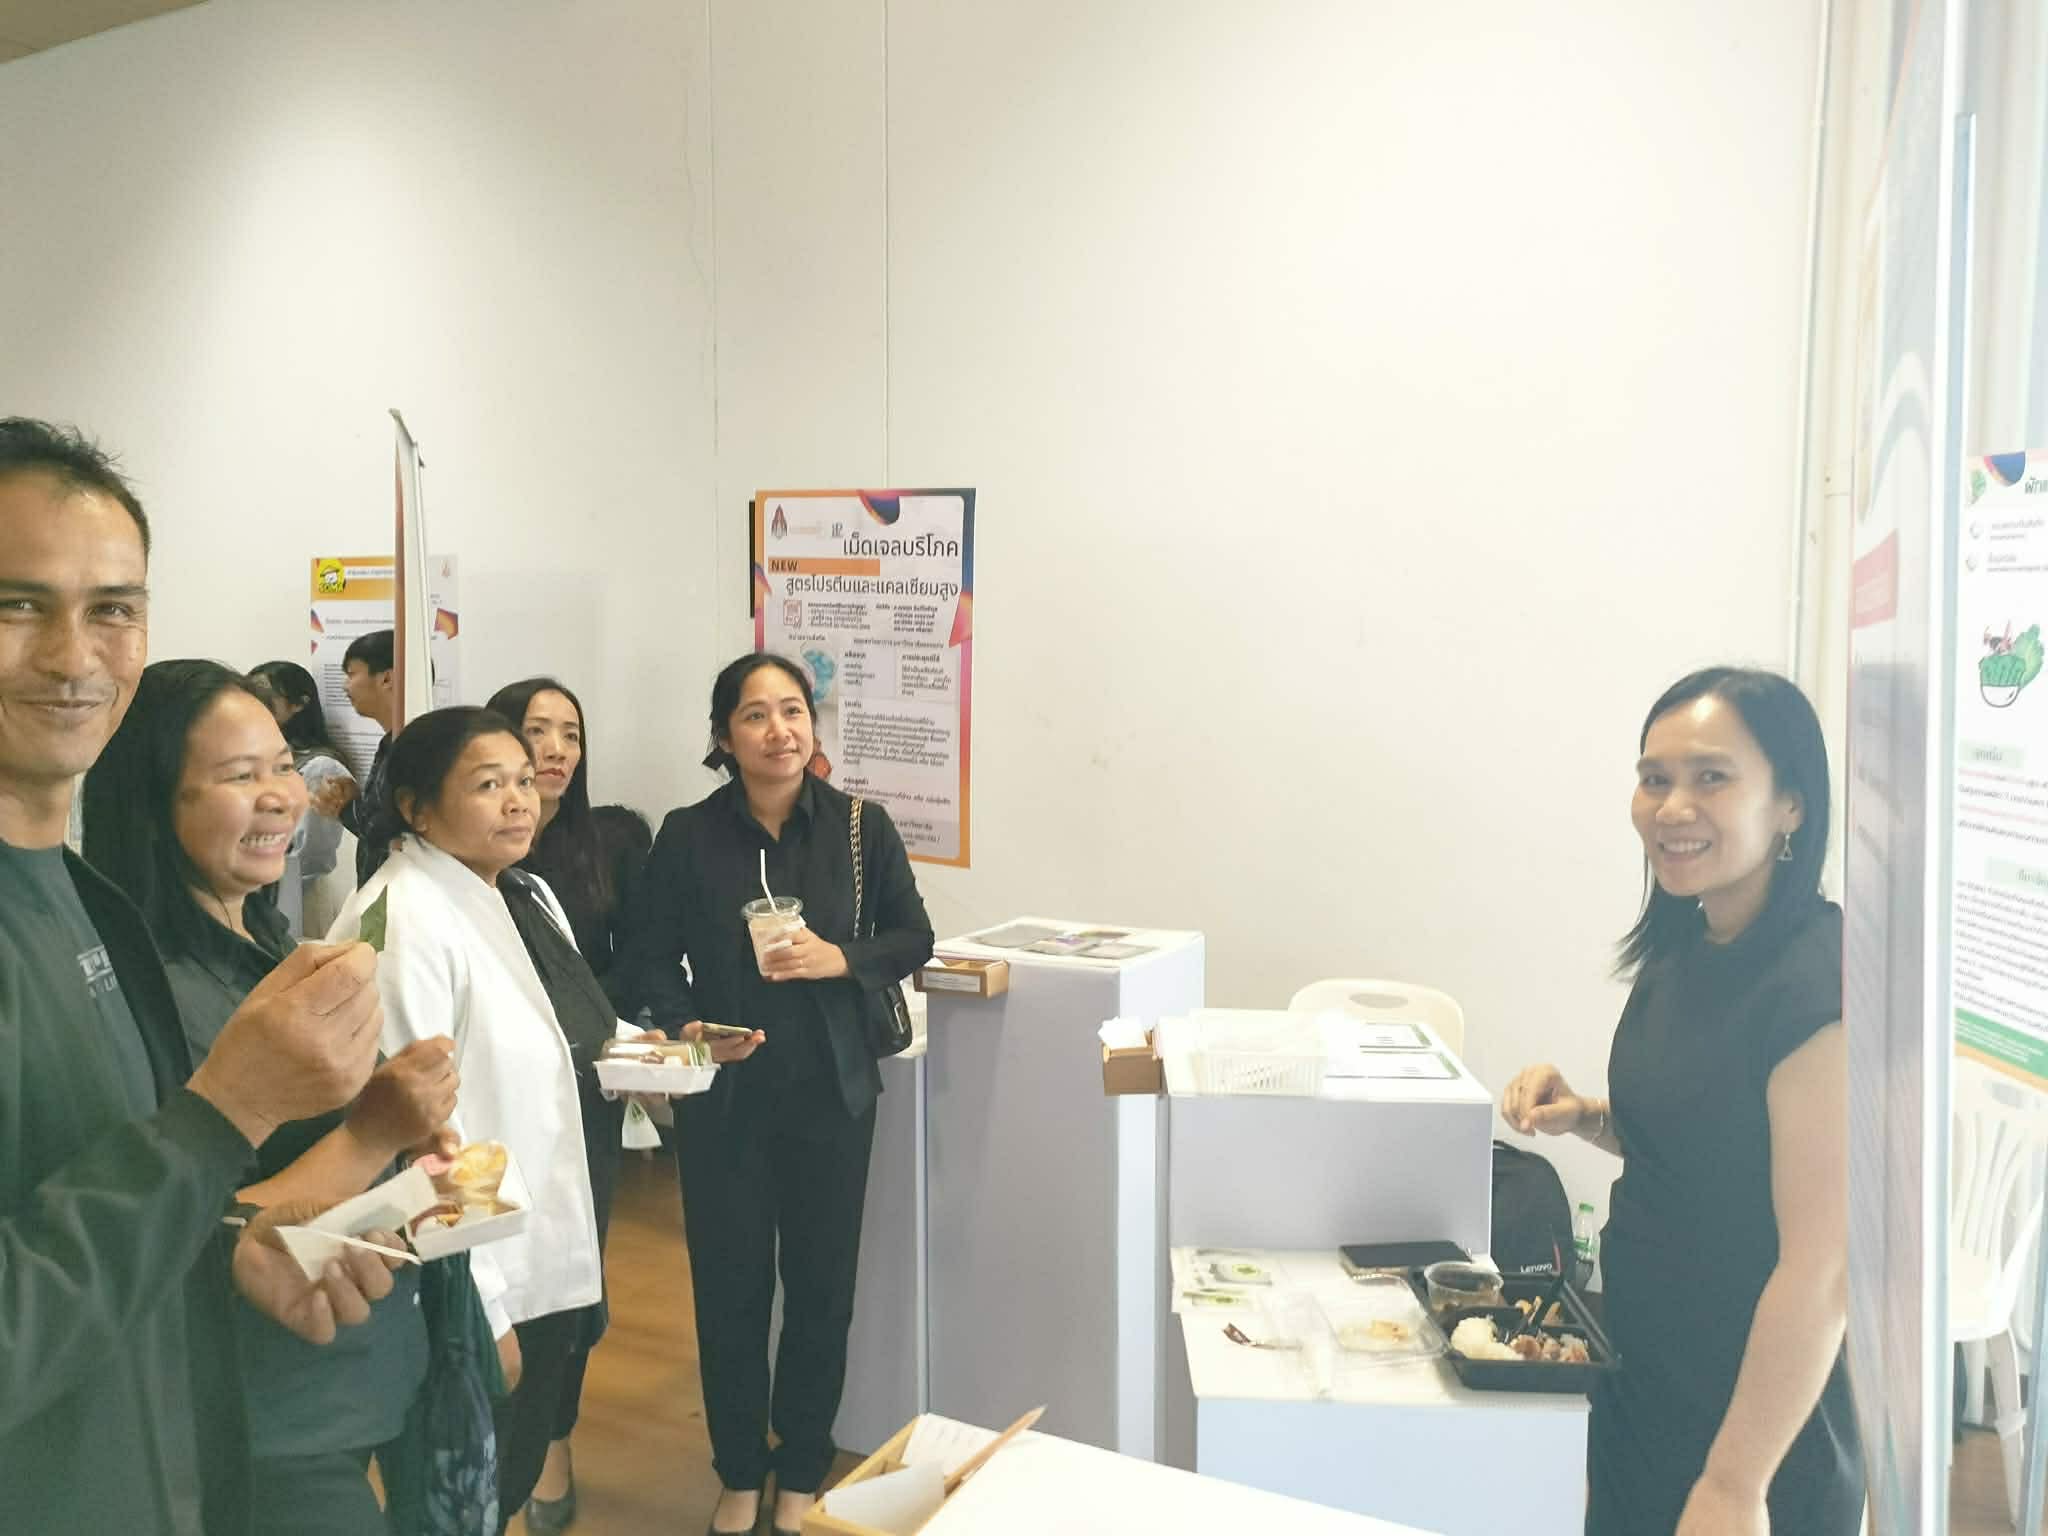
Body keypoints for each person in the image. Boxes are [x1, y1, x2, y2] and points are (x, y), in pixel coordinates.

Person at [0, 417, 400, 1533]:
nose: (73, 657)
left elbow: (78, 1207)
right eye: (17, 604)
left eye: (112, 609)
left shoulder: (84, 903)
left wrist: (224, 1247)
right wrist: (225, 1112)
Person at [326, 705, 730, 1530]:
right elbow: (414, 1136)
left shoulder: (520, 890)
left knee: (504, 1476)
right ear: (415, 807)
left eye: (521, 781)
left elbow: (570, 1030)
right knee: (456, 1495)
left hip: (540, 1234)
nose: (520, 800)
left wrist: (673, 1054)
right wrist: (483, 1308)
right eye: (488, 785)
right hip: (469, 1270)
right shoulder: (403, 919)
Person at [83, 657, 461, 1532]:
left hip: (354, 1376)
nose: (282, 797)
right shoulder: (141, 990)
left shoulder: (266, 942)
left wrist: (403, 1144)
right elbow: (175, 1223)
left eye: (283, 765)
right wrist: (372, 1133)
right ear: (152, 802)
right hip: (263, 1417)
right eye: (237, 775)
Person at [1499, 667, 1860, 1536]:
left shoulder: (1819, 987)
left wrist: (1735, 1484)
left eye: (1711, 777)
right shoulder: (1687, 941)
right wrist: (1589, 1116)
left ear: (1791, 805)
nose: (1672, 806)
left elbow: (1822, 1271)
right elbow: (1712, 1146)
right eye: (1654, 778)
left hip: (1752, 1422)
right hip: (1644, 1377)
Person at [621, 652, 934, 1536]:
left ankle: (800, 1465)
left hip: (833, 1094)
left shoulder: (861, 827)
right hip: (725, 1094)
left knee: (821, 1289)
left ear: (812, 723)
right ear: (724, 736)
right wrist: (685, 1024)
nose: (779, 730)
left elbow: (914, 935)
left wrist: (841, 958)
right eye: (755, 715)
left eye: (792, 710)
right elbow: (649, 954)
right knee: (730, 1290)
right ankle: (737, 1469)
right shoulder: (689, 834)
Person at [485, 674, 654, 1533]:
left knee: (573, 1279)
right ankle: (498, 1449)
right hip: (495, 1101)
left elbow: (637, 962)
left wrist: (601, 1031)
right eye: (535, 731)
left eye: (570, 735)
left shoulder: (605, 843)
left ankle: (554, 1440)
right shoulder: (472, 858)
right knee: (499, 1280)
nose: (554, 751)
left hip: (586, 1088)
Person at [249, 657, 359, 936]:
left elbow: (312, 856)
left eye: (265, 698)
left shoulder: (321, 767)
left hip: (299, 897)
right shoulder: (261, 758)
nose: (254, 705)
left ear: (299, 704)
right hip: (266, 896)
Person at [338, 627, 397, 885]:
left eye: (352, 674)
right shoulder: (390, 743)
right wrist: (348, 806)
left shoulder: (416, 751)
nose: (345, 686)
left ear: (387, 679)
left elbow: (393, 837)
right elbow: (377, 830)